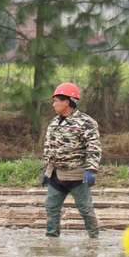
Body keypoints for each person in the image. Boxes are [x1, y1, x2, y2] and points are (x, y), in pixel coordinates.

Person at [41, 82, 101, 238]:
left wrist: (91, 169)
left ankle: (94, 238)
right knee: (51, 207)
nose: (53, 104)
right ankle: (52, 239)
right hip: (57, 175)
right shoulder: (54, 123)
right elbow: (49, 149)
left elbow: (93, 147)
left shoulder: (86, 122)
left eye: (56, 101)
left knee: (86, 210)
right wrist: (46, 169)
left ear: (66, 102)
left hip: (77, 176)